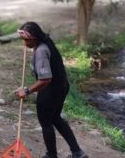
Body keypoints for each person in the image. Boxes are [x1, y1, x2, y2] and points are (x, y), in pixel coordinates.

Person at [15, 22, 88, 158]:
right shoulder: (46, 42)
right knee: (55, 118)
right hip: (61, 87)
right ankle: (77, 152)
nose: (25, 43)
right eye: (23, 40)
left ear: (36, 37)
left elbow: (45, 79)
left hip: (51, 89)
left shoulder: (42, 50)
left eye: (27, 40)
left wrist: (26, 91)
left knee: (46, 122)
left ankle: (52, 155)